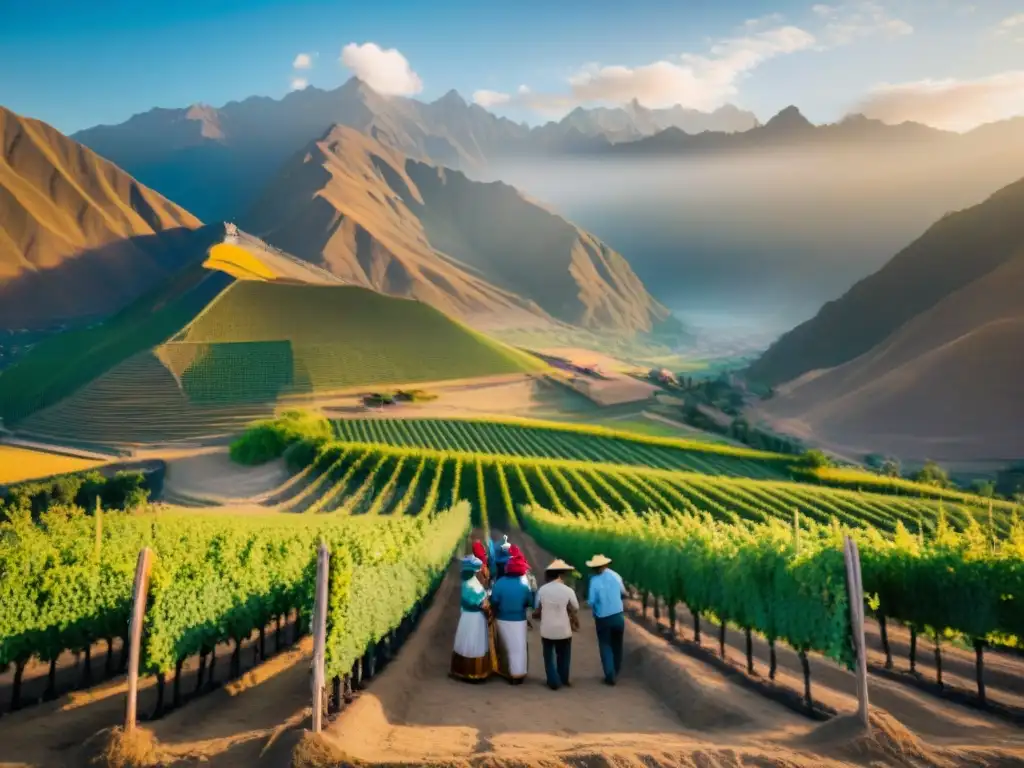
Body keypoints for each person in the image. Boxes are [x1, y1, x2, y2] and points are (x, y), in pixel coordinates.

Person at [533, 559, 578, 690]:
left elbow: (536, 606)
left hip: (547, 628)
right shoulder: (568, 590)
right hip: (564, 628)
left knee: (548, 656)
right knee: (564, 654)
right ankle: (563, 678)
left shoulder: (542, 590)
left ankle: (553, 680)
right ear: (561, 575)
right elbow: (576, 607)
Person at [451, 555, 496, 681]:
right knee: (474, 642)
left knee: (467, 641)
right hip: (473, 617)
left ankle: (466, 670)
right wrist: (487, 602)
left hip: (471, 617)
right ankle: (473, 672)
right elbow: (479, 602)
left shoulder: (471, 581)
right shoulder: (468, 585)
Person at [490, 554, 534, 684]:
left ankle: (506, 672)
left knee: (505, 646)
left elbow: (494, 602)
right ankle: (518, 673)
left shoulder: (499, 583)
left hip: (502, 619)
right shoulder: (524, 585)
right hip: (519, 620)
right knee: (519, 647)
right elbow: (529, 603)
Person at [586, 554, 627, 686]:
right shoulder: (616, 576)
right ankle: (616, 670)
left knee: (605, 645)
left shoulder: (594, 581)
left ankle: (610, 674)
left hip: (603, 617)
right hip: (618, 615)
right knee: (617, 645)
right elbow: (624, 593)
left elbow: (591, 601)